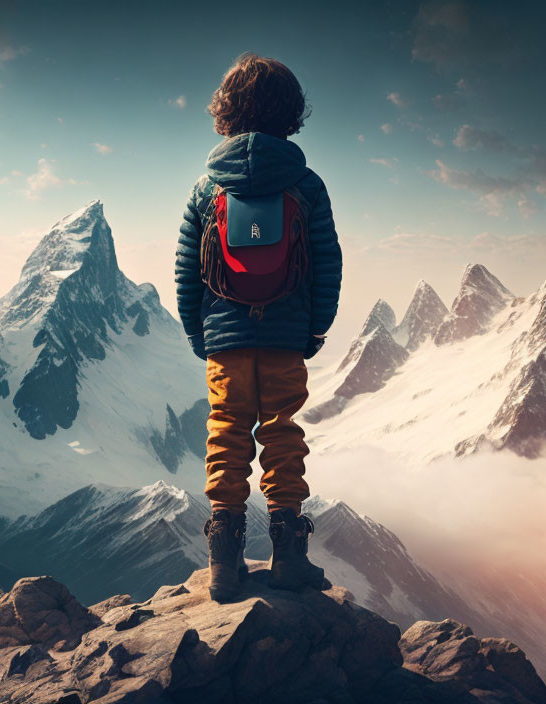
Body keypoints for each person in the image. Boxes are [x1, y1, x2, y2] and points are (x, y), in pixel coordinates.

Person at [175, 52, 343, 602]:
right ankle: (289, 557)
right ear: (292, 114)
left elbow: (186, 268)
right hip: (286, 337)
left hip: (225, 338)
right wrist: (314, 329)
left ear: (224, 112)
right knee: (281, 434)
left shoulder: (206, 187)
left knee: (225, 433)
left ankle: (223, 565)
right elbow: (325, 260)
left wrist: (201, 335)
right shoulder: (307, 184)